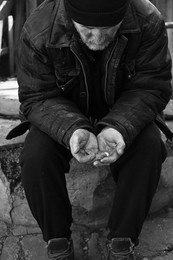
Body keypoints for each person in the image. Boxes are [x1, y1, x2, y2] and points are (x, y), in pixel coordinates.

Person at [12, 0, 173, 259]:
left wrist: (118, 127)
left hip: (125, 107)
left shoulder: (148, 20)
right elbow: (37, 96)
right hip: (63, 111)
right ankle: (58, 241)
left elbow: (152, 86)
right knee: (35, 154)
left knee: (150, 146)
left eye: (109, 28)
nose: (97, 37)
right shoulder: (39, 27)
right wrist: (73, 129)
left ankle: (122, 240)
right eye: (86, 28)